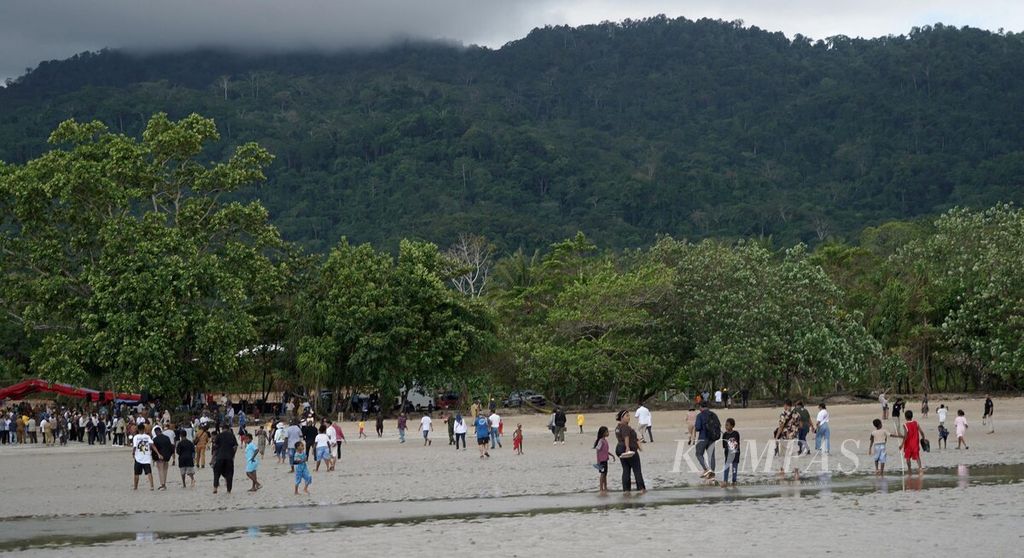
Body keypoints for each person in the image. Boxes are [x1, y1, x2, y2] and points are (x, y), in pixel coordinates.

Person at [614, 409, 645, 493]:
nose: (629, 418)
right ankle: (641, 489)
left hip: (620, 450)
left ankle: (626, 490)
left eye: (629, 416)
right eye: (627, 416)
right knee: (637, 470)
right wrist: (627, 447)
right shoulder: (625, 427)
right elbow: (626, 437)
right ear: (621, 417)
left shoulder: (618, 427)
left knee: (626, 469)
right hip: (630, 450)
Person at [693, 401, 719, 479]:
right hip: (712, 437)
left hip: (703, 437)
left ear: (701, 407)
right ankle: (712, 473)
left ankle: (706, 469)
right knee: (711, 456)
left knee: (699, 454)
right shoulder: (714, 414)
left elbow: (697, 428)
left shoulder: (700, 416)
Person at [211, 424, 238, 494]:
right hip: (229, 457)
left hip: (220, 457)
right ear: (228, 429)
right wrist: (233, 455)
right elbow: (235, 446)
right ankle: (228, 490)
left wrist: (213, 458)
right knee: (229, 473)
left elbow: (215, 447)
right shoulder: (232, 435)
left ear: (222, 429)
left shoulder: (219, 435)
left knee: (217, 472)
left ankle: (215, 488)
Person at [899, 410, 924, 475]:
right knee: (917, 456)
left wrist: (901, 445)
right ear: (912, 416)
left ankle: (909, 469)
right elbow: (921, 432)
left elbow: (905, 436)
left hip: (908, 444)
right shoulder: (916, 423)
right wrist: (923, 438)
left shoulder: (905, 425)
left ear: (905, 417)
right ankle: (920, 468)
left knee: (907, 457)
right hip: (915, 443)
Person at [132, 424, 156, 491]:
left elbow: (134, 446)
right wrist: (158, 453)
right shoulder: (147, 437)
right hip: (146, 457)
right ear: (144, 429)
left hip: (138, 457)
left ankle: (135, 486)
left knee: (136, 473)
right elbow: (152, 445)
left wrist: (133, 453)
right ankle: (152, 486)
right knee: (149, 472)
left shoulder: (136, 437)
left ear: (138, 429)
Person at [151, 426, 174, 490]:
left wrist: (154, 458)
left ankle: (162, 484)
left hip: (159, 457)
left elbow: (153, 450)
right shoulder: (167, 438)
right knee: (165, 471)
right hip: (167, 456)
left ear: (155, 432)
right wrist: (170, 455)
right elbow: (171, 447)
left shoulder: (155, 439)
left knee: (160, 470)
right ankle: (164, 484)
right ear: (161, 431)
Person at [721, 418, 740, 487]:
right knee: (726, 468)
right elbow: (723, 445)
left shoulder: (736, 433)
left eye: (727, 425)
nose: (726, 427)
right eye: (725, 425)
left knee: (734, 469)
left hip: (735, 454)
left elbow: (736, 444)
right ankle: (725, 481)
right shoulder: (724, 434)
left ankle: (734, 481)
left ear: (732, 426)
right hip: (727, 455)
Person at [594, 426, 612, 493]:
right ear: (603, 433)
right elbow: (598, 450)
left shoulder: (605, 440)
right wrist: (598, 461)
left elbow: (605, 451)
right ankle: (601, 488)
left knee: (605, 474)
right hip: (602, 461)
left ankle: (605, 487)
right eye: (607, 431)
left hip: (605, 460)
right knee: (602, 474)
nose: (608, 433)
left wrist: (611, 455)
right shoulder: (601, 441)